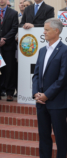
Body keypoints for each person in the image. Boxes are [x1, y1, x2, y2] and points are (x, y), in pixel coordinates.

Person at [32, 18, 67, 158]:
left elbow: (63, 78)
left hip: (58, 103)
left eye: (47, 29)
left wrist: (47, 94)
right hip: (41, 103)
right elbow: (36, 75)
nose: (44, 32)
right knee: (44, 137)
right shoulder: (42, 50)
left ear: (56, 31)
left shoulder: (65, 51)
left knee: (61, 138)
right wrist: (36, 93)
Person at [0, 0, 18, 101]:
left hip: (9, 46)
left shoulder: (13, 13)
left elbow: (14, 28)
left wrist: (5, 39)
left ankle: (9, 92)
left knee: (9, 69)